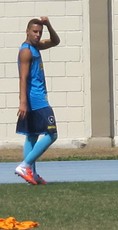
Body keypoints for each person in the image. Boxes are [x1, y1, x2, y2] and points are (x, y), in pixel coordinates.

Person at [15, 17, 60, 185]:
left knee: (32, 135)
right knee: (52, 134)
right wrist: (23, 102)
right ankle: (25, 165)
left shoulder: (37, 46)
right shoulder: (26, 51)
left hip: (36, 98)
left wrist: (48, 24)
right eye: (35, 31)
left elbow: (56, 41)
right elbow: (23, 77)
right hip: (36, 99)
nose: (38, 35)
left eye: (40, 32)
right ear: (27, 31)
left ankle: (31, 175)